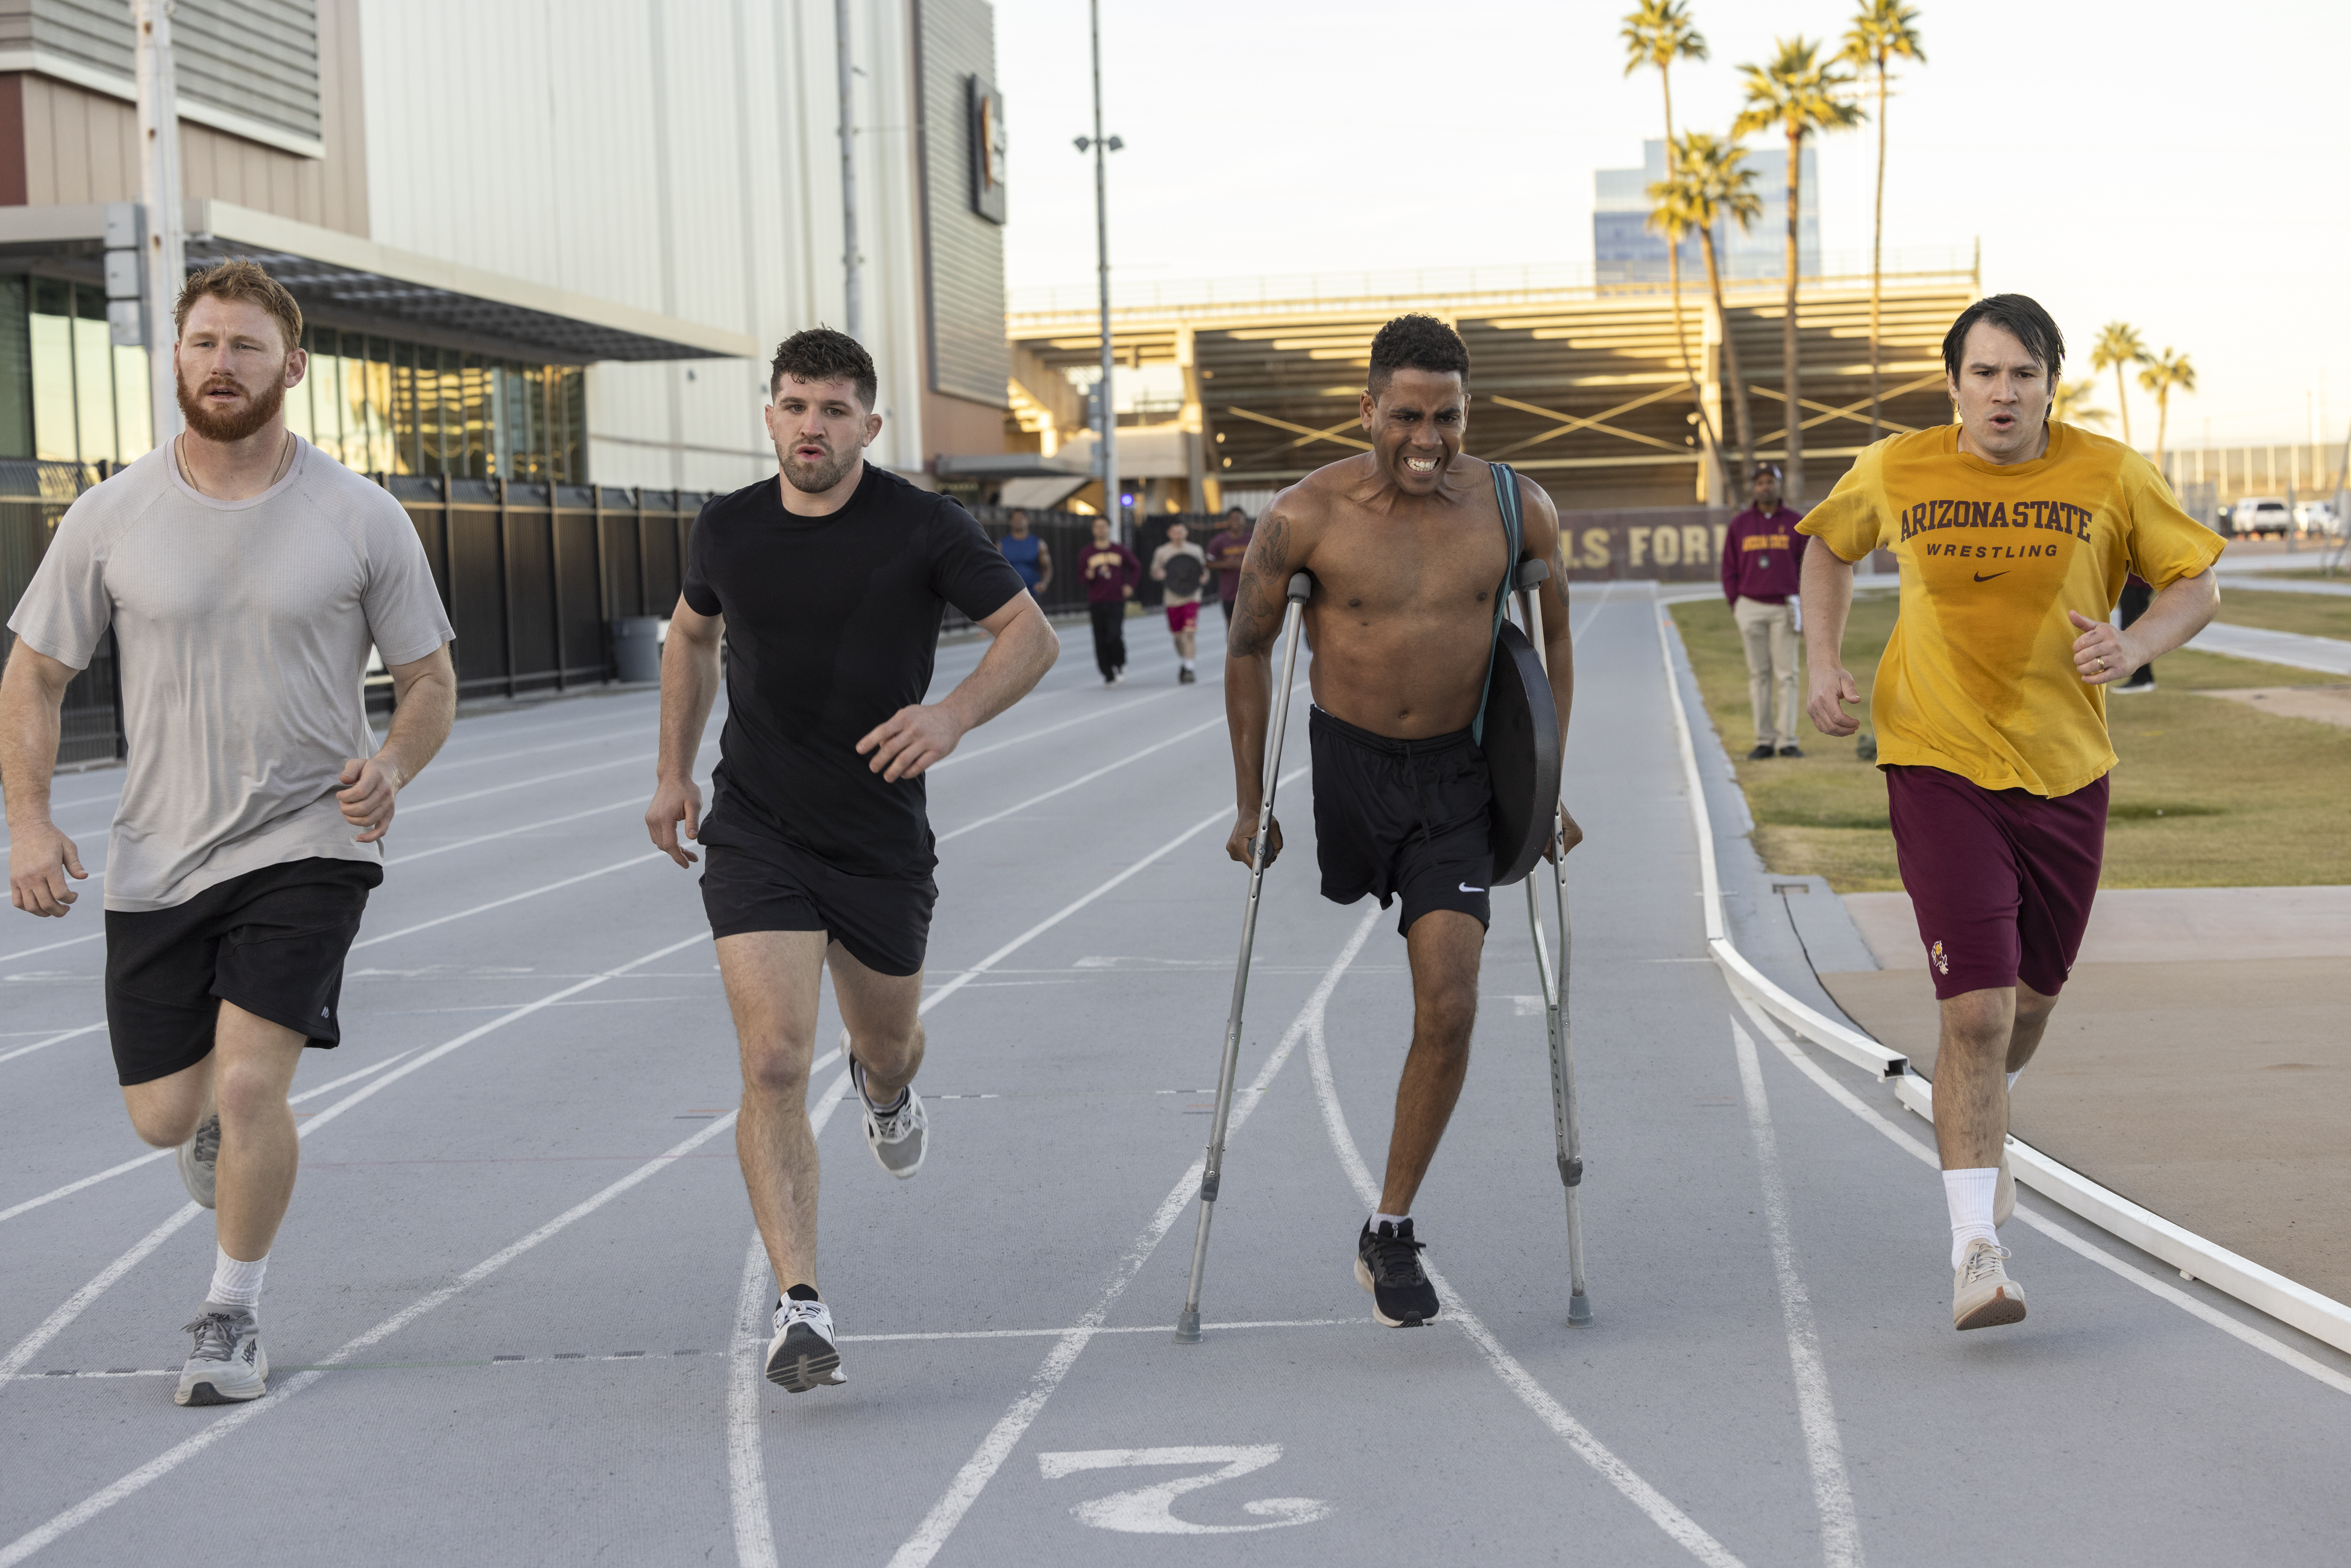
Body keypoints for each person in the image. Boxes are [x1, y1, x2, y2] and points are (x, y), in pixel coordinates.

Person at [1, 260, 458, 1405]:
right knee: (168, 1115)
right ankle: (208, 1131)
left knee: (255, 1086)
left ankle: (230, 1316)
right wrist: (28, 820)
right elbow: (35, 675)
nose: (222, 363)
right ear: (176, 360)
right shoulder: (110, 515)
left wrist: (391, 764)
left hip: (309, 838)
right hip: (158, 854)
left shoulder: (362, 514)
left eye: (247, 345)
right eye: (203, 342)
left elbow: (431, 677)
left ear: (292, 366)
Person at [644, 328, 1057, 1394]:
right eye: (793, 406)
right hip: (758, 831)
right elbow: (690, 636)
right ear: (770, 416)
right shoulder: (727, 527)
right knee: (775, 1059)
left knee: (891, 1042)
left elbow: (1031, 636)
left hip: (878, 840)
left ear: (870, 425)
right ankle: (799, 1304)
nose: (811, 426)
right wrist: (673, 772)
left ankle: (886, 1092)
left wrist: (952, 714)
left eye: (833, 410)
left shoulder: (924, 525)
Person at [1798, 294, 2220, 1332]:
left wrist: (2133, 647)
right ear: (1954, 386)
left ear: (2050, 384)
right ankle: (1976, 1248)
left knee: (2028, 1004)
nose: (2003, 392)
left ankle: (1979, 1118)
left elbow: (2197, 585)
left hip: (2066, 770)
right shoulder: (1899, 467)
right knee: (1976, 1013)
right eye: (1984, 373)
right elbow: (1827, 548)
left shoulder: (2109, 472)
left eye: (2023, 373)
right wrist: (1821, 660)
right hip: (1936, 762)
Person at [1224, 314, 1579, 1329]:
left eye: (1449, 418)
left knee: (1452, 1001)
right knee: (1422, 980)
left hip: (1459, 779)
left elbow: (1552, 641)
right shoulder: (1304, 517)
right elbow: (1249, 650)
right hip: (1350, 769)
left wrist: (1550, 788)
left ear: (1472, 414)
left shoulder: (1518, 510)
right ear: (1369, 410)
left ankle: (1389, 1225)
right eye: (1408, 417)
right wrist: (1253, 802)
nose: (1428, 440)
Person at [1721, 462, 1809, 759]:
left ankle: (1787, 741)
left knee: (1788, 675)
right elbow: (1729, 568)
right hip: (1751, 606)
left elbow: (1807, 568)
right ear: (1753, 488)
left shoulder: (1797, 523)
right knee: (1759, 675)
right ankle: (1764, 739)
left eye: (1770, 481)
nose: (1765, 487)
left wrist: (1802, 604)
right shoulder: (1740, 525)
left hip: (1783, 607)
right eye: (1759, 483)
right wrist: (1737, 605)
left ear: (1779, 484)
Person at [1078, 515, 1140, 685]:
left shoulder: (1120, 550)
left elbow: (1135, 567)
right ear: (1093, 530)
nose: (1101, 530)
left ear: (1109, 528)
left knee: (1115, 634)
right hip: (1096, 600)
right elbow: (1080, 576)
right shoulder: (1087, 552)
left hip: (1116, 599)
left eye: (1104, 526)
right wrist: (1087, 576)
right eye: (1097, 527)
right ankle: (1107, 672)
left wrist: (1130, 586)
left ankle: (1119, 664)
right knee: (1100, 637)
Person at [1149, 520, 1209, 684]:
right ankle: (1184, 661)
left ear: (1186, 533)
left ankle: (1190, 668)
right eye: (1175, 532)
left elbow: (1203, 570)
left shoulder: (1195, 550)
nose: (1178, 535)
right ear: (1169, 534)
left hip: (1192, 596)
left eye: (1181, 532)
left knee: (1189, 633)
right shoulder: (1162, 551)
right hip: (1172, 598)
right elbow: (1154, 572)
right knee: (1177, 637)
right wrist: (1158, 574)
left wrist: (1204, 577)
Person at [1206, 506, 1253, 626]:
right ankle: (1232, 646)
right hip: (1229, 592)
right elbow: (1208, 563)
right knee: (1232, 626)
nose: (1236, 521)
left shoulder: (1253, 539)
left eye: (1239, 518)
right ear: (1228, 521)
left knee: (1251, 627)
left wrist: (1245, 564)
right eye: (1232, 518)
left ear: (1244, 521)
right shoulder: (1219, 541)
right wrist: (1227, 564)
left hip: (1251, 591)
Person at [998, 508, 1053, 601]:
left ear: (1028, 521)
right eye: (1015, 518)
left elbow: (1047, 569)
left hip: (1033, 595)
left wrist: (1043, 584)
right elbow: (997, 571)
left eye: (1021, 518)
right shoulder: (1001, 545)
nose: (1018, 521)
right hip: (1010, 595)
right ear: (1011, 522)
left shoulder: (1039, 544)